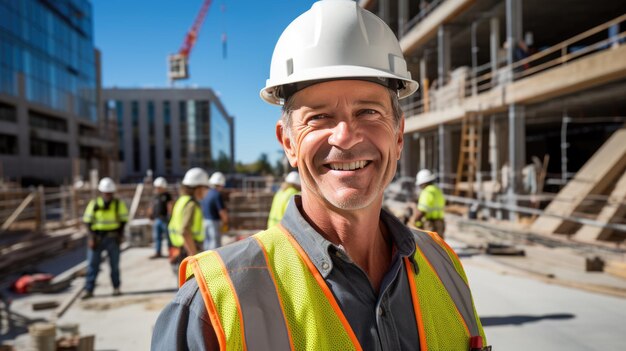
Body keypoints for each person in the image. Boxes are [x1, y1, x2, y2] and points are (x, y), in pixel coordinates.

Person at [152, 1, 487, 350]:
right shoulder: (214, 306)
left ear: (399, 135)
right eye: (319, 117)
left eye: (368, 111)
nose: (345, 136)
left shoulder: (444, 266)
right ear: (288, 143)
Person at [81, 177, 128, 299]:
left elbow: (123, 221)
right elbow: (87, 222)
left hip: (113, 238)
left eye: (109, 193)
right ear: (102, 192)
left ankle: (116, 288)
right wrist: (91, 238)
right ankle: (89, 289)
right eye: (106, 193)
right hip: (97, 238)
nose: (108, 195)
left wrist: (120, 235)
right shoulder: (94, 204)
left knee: (114, 265)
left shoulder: (118, 204)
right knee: (92, 264)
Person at [167, 168, 209, 270]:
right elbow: (185, 230)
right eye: (205, 188)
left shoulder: (181, 200)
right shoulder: (191, 204)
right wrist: (194, 256)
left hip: (180, 249)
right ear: (198, 188)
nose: (206, 191)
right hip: (188, 250)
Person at [410, 169, 446, 239]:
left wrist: (414, 221)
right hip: (440, 223)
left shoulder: (427, 192)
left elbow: (422, 211)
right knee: (439, 246)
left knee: (429, 246)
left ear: (423, 183)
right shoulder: (437, 190)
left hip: (430, 225)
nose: (420, 186)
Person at [200, 172, 229, 250]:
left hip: (205, 221)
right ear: (220, 184)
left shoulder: (206, 193)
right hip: (214, 223)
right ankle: (212, 261)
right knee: (215, 245)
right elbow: (222, 211)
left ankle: (205, 260)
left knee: (207, 243)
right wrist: (225, 222)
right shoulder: (217, 194)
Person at [148, 177, 173, 259]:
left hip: (165, 219)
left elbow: (170, 206)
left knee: (168, 237)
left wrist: (170, 216)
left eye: (158, 187)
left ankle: (171, 252)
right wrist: (150, 214)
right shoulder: (156, 196)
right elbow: (152, 205)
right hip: (157, 219)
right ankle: (158, 252)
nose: (157, 189)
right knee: (157, 237)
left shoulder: (167, 196)